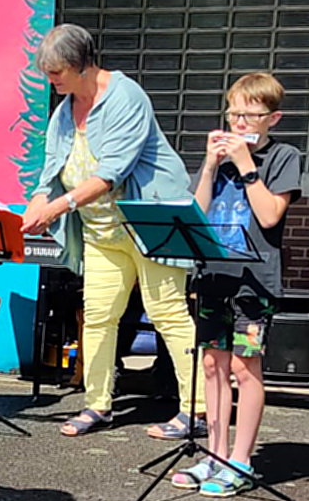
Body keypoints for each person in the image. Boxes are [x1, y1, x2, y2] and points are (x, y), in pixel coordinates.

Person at [20, 23, 203, 439]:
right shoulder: (64, 110)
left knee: (167, 313)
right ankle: (97, 404)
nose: (51, 82)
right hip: (101, 231)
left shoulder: (126, 97)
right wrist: (37, 204)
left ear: (81, 66)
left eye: (56, 73)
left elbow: (110, 173)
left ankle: (198, 409)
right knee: (99, 316)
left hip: (148, 221)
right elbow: (52, 170)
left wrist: (57, 207)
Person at [171, 73, 301, 496]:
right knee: (212, 366)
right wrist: (210, 164)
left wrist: (246, 164)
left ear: (272, 118)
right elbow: (196, 213)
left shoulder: (283, 157)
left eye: (250, 115)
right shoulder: (220, 158)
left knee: (246, 369)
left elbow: (268, 216)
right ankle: (215, 455)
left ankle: (241, 461)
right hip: (213, 276)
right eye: (233, 113)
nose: (240, 122)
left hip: (253, 281)